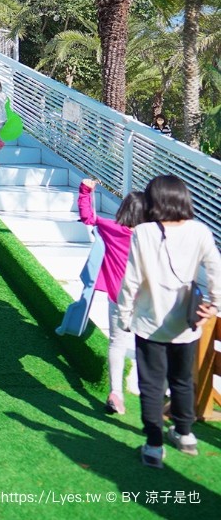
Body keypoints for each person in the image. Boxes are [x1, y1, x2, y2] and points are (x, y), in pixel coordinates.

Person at [117, 174, 221, 468]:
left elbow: (131, 282)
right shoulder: (200, 232)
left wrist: (124, 315)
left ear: (154, 202)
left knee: (151, 386)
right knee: (182, 381)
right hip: (186, 325)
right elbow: (216, 268)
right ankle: (185, 435)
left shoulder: (144, 233)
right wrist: (214, 306)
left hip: (150, 323)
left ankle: (153, 446)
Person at [78, 178, 145, 415]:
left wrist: (86, 190)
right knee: (149, 343)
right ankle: (148, 387)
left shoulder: (111, 228)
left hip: (119, 297)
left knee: (117, 343)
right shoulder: (154, 237)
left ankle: (116, 392)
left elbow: (88, 218)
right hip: (148, 300)